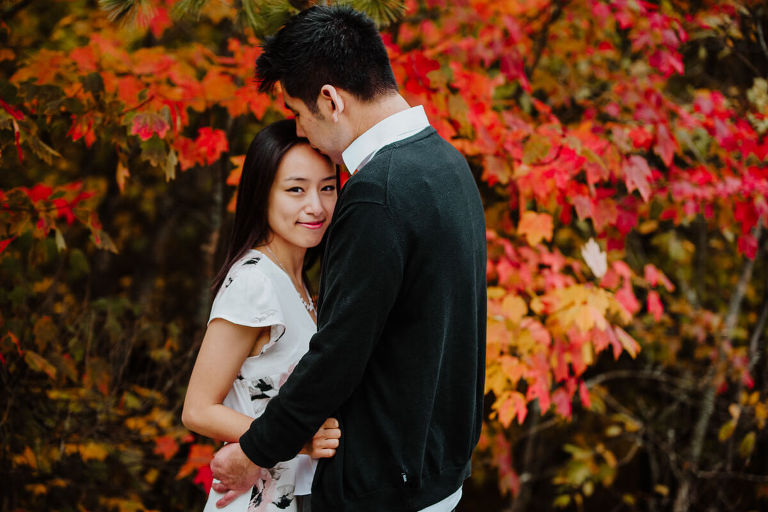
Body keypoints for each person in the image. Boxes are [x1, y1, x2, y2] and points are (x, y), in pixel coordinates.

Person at [211, 6, 487, 512]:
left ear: (330, 99)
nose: (302, 131)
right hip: (437, 470)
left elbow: (338, 353)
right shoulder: (447, 164)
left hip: (383, 484)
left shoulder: (378, 191)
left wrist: (254, 450)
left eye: (297, 112)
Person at [182, 119, 341, 512]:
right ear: (261, 195)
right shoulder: (255, 282)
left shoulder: (298, 282)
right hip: (256, 501)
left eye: (327, 188)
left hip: (296, 493)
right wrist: (296, 438)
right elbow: (198, 409)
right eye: (295, 190)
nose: (316, 206)